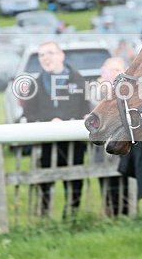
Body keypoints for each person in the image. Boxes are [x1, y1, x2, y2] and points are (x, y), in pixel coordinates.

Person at [20, 42, 90, 217]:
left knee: (74, 179)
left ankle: (73, 215)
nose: (45, 58)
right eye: (41, 55)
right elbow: (29, 113)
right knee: (45, 180)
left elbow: (85, 110)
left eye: (50, 53)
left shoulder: (77, 80)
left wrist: (67, 122)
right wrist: (48, 122)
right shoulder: (36, 84)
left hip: (73, 142)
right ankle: (44, 216)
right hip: (47, 143)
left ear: (61, 56)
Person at [90, 57, 130, 217]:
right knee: (106, 183)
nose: (114, 73)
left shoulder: (129, 90)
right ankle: (110, 213)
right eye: (110, 70)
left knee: (124, 181)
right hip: (102, 149)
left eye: (117, 70)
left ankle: (126, 213)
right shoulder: (95, 90)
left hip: (123, 145)